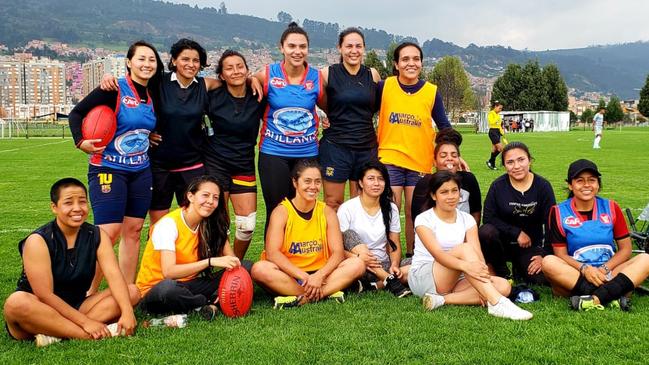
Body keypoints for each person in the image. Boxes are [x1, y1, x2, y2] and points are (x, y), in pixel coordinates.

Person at [99, 39, 262, 226]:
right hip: (160, 164)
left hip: (192, 164)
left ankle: (193, 256)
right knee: (159, 224)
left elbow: (232, 80)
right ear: (174, 60)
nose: (191, 64)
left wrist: (251, 78)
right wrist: (108, 76)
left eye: (196, 60)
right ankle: (159, 256)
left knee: (195, 221)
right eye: (185, 59)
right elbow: (134, 87)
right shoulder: (158, 82)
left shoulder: (205, 85)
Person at [69, 40, 164, 289]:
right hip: (108, 168)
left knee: (133, 231)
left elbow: (139, 127)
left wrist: (147, 135)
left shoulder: (153, 94)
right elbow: (76, 113)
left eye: (151, 59)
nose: (147, 64)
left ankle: (124, 291)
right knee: (108, 233)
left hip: (140, 171)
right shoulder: (114, 88)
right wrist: (81, 141)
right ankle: (86, 293)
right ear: (129, 62)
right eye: (141, 59)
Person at [3, 178, 139, 346]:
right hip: (40, 309)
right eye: (68, 203)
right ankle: (84, 334)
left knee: (131, 291)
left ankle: (58, 335)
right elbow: (45, 295)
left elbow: (113, 274)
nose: (77, 208)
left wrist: (127, 312)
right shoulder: (38, 241)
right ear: (54, 207)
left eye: (82, 202)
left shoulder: (97, 235)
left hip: (77, 305)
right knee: (16, 302)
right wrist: (85, 322)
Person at [408, 171, 532, 320]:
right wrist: (466, 267)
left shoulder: (467, 219)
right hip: (425, 276)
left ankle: (441, 300)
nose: (451, 196)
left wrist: (483, 279)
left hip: (457, 276)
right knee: (464, 249)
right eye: (444, 192)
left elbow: (477, 253)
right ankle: (497, 302)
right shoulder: (424, 219)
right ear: (434, 196)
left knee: (504, 286)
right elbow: (439, 255)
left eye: (455, 191)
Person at [251, 159, 365, 308]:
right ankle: (325, 293)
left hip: (321, 273)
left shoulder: (327, 212)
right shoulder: (282, 212)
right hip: (290, 274)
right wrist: (305, 277)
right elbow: (273, 253)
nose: (313, 186)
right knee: (259, 269)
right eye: (307, 181)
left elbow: (338, 253)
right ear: (295, 182)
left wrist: (319, 276)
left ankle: (303, 298)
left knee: (357, 264)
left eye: (317, 182)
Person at [376, 41, 453, 257]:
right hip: (389, 157)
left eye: (416, 59)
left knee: (415, 212)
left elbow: (444, 126)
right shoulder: (385, 86)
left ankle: (412, 256)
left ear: (421, 63)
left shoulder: (431, 91)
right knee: (389, 210)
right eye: (405, 59)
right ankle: (388, 256)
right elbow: (361, 111)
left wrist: (452, 155)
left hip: (420, 161)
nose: (411, 63)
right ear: (396, 64)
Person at [542, 159, 649, 311]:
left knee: (646, 259)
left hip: (609, 272)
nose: (586, 185)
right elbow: (561, 255)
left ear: (598, 184)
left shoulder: (611, 207)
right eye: (580, 181)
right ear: (570, 185)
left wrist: (604, 269)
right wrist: (585, 269)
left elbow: (626, 249)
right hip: (577, 274)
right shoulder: (558, 212)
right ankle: (613, 295)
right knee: (548, 262)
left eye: (592, 180)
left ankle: (593, 298)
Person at [136, 176, 245, 316]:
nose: (210, 201)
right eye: (205, 195)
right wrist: (210, 262)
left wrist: (232, 267)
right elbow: (169, 272)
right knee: (168, 289)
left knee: (245, 267)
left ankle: (204, 305)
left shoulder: (211, 222)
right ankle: (205, 304)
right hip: (157, 289)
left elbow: (233, 261)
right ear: (190, 196)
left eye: (215, 197)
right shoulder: (168, 224)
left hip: (190, 284)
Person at [253, 22, 325, 233]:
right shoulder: (268, 73)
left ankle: (303, 258)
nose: (297, 51)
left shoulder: (316, 77)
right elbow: (250, 82)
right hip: (273, 152)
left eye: (302, 46)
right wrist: (251, 80)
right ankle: (272, 260)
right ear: (281, 47)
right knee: (277, 210)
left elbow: (329, 107)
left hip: (307, 153)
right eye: (292, 46)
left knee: (305, 208)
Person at [204, 50, 267, 260]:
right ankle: (222, 264)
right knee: (220, 222)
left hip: (244, 164)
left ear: (247, 70)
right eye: (229, 68)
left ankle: (236, 264)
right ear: (221, 75)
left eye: (240, 66)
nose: (235, 71)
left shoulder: (258, 96)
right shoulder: (213, 96)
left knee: (247, 226)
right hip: (216, 163)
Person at [318, 27, 381, 210]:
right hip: (336, 147)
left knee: (361, 205)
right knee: (333, 203)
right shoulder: (327, 73)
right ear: (340, 48)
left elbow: (377, 105)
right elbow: (314, 99)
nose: (354, 50)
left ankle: (358, 241)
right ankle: (334, 240)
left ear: (364, 48)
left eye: (358, 46)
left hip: (366, 148)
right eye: (349, 46)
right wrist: (322, 115)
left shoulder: (373, 74)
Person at [479, 142, 556, 285]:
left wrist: (544, 255)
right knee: (486, 231)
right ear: (504, 165)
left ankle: (519, 267)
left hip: (530, 246)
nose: (516, 166)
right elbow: (488, 218)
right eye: (510, 162)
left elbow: (552, 223)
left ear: (530, 160)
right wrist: (516, 232)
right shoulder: (498, 186)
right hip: (502, 244)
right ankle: (502, 271)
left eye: (521, 160)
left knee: (540, 279)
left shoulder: (542, 186)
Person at [337, 160, 411, 297]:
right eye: (371, 179)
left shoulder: (391, 208)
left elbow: (394, 243)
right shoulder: (347, 209)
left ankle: (378, 284)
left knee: (419, 263)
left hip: (385, 264)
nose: (376, 183)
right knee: (349, 234)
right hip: (359, 265)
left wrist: (394, 264)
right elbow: (337, 248)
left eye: (380, 179)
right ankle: (390, 280)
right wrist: (359, 258)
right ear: (360, 183)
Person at [412, 128, 481, 226]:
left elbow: (476, 212)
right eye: (443, 156)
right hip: (431, 237)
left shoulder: (468, 179)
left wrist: (470, 236)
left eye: (454, 155)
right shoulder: (425, 183)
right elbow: (417, 218)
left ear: (459, 159)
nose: (449, 158)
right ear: (435, 161)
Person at [486, 101, 504, 170]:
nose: (500, 110)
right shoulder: (491, 113)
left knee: (494, 149)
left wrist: (501, 132)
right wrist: (497, 118)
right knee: (501, 148)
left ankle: (492, 164)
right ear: (495, 107)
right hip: (492, 132)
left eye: (501, 109)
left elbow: (499, 125)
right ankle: (490, 161)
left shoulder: (498, 115)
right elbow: (491, 122)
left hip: (497, 132)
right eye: (499, 108)